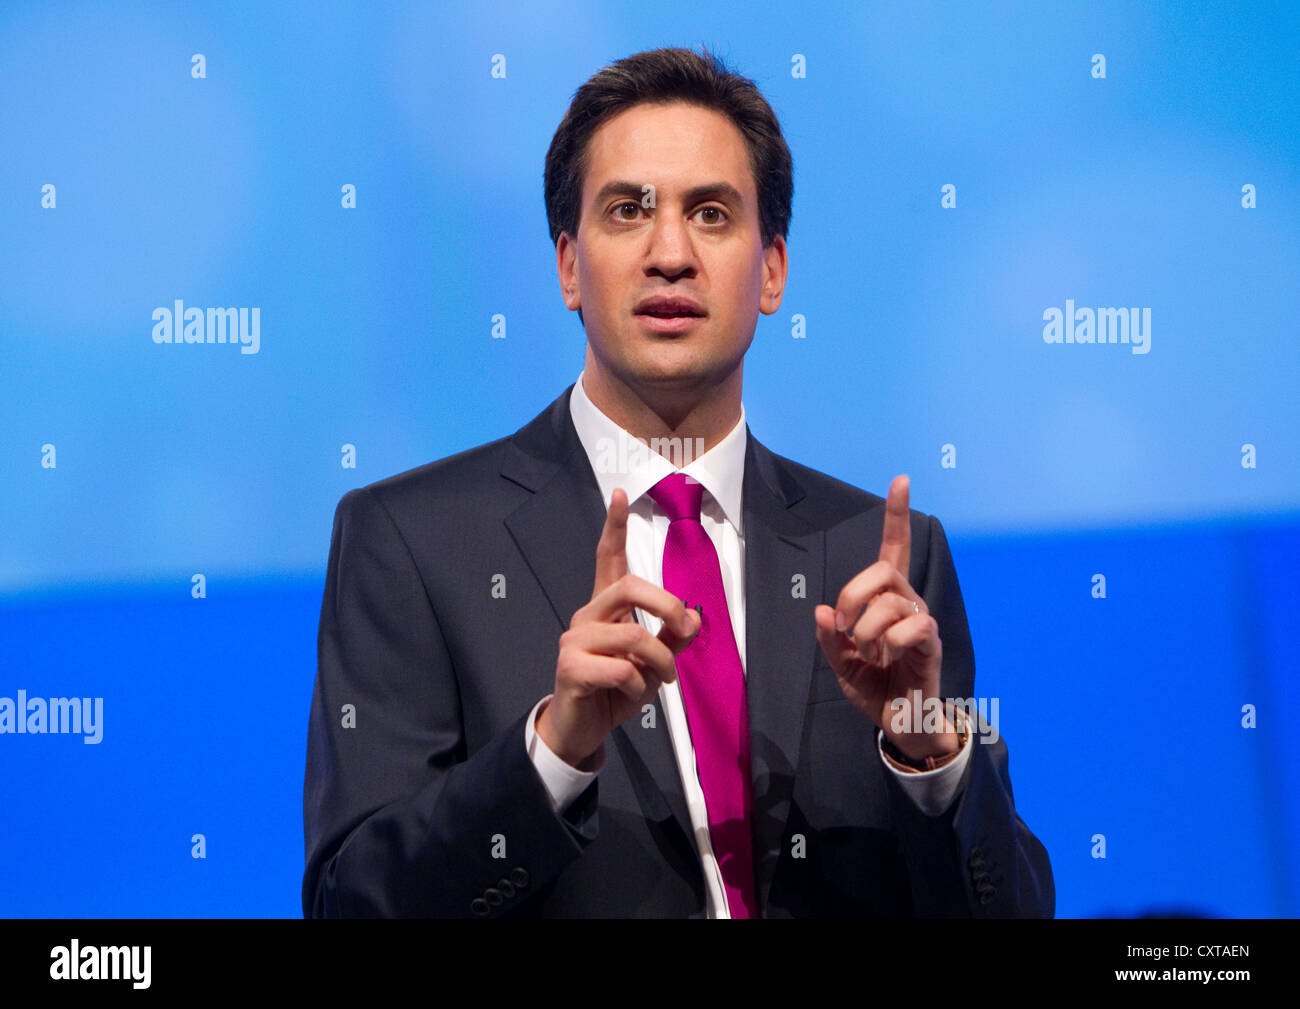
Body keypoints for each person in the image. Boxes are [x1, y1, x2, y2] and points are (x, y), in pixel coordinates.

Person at [301, 46, 1054, 918]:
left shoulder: (882, 556)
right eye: (627, 211)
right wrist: (554, 750)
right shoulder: (414, 539)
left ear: (771, 269)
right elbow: (353, 903)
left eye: (711, 213)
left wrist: (927, 746)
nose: (670, 254)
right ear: (569, 267)